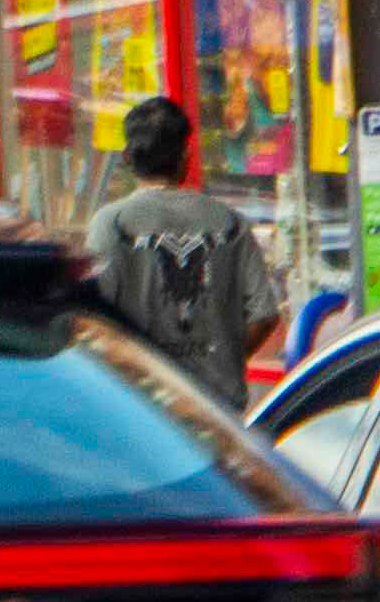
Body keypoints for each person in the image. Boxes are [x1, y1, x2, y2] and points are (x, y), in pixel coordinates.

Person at [79, 97, 266, 401]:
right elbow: (265, 314)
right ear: (186, 156)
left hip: (145, 410)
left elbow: (94, 319)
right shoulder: (232, 223)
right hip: (217, 412)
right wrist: (224, 361)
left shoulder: (108, 224)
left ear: (127, 157)